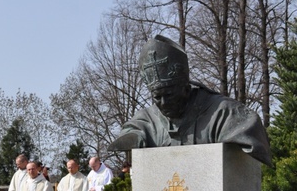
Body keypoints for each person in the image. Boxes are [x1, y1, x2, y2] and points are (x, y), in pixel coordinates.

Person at [109, 34, 272, 166]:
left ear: (186, 89)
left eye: (169, 95)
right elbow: (130, 135)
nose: (164, 103)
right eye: (157, 97)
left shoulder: (226, 114)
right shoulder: (145, 122)